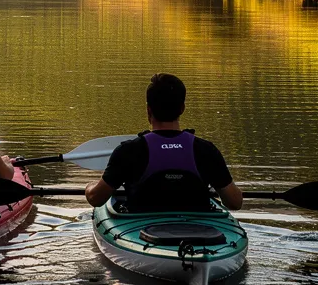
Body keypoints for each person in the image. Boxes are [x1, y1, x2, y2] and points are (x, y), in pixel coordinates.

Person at [85, 73, 242, 212]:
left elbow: (96, 199)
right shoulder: (206, 150)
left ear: (148, 110)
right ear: (182, 108)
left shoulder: (129, 151)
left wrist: (89, 187)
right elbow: (234, 203)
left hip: (141, 233)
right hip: (202, 234)